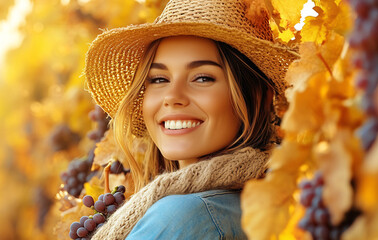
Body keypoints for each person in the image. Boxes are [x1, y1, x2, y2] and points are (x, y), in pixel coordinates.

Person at [82, 0, 299, 239]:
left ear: (259, 96)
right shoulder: (265, 206)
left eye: (203, 78)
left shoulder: (182, 217)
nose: (172, 97)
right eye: (158, 79)